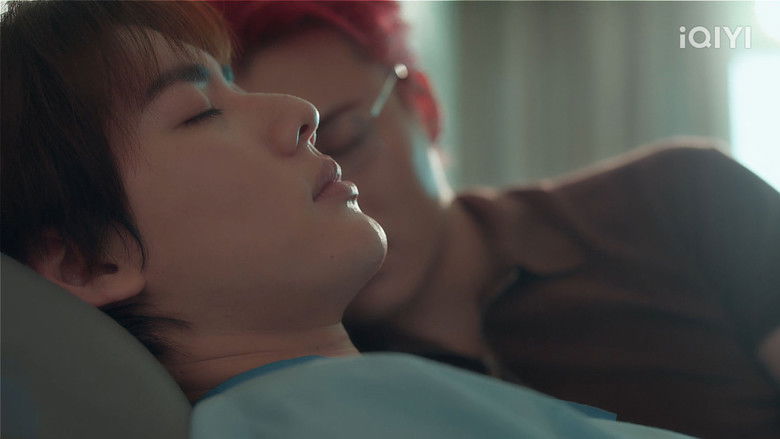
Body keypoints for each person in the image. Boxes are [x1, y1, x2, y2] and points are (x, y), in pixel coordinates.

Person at [0, 1, 698, 438]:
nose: (299, 114)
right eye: (201, 112)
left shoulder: (348, 401)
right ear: (90, 259)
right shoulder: (300, 419)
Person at [210, 1, 780, 437]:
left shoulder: (683, 195)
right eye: (276, 182)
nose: (336, 194)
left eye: (345, 139)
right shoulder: (309, 388)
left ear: (423, 109)